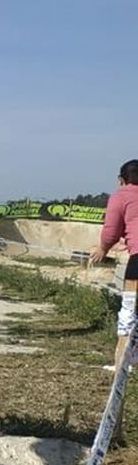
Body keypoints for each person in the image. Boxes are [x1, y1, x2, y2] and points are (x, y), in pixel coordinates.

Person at [88, 159, 138, 371]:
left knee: (129, 312)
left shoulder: (121, 196)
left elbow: (111, 230)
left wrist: (103, 248)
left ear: (121, 179)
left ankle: (122, 364)